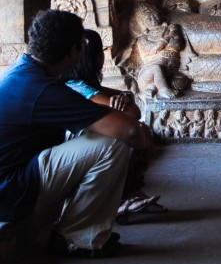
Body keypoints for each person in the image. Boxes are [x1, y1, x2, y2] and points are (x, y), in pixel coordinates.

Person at [0, 10, 152, 258]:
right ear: (74, 51)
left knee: (98, 136)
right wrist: (142, 143)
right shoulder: (40, 88)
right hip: (4, 194)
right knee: (112, 143)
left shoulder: (28, 75)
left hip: (0, 188)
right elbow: (127, 128)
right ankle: (77, 237)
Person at [66, 29, 167, 222]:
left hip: (84, 146)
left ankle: (131, 195)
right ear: (92, 58)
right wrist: (125, 100)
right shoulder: (77, 86)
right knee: (135, 134)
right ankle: (126, 197)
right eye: (100, 53)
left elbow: (130, 105)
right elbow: (132, 113)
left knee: (137, 132)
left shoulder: (88, 85)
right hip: (79, 147)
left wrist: (125, 97)